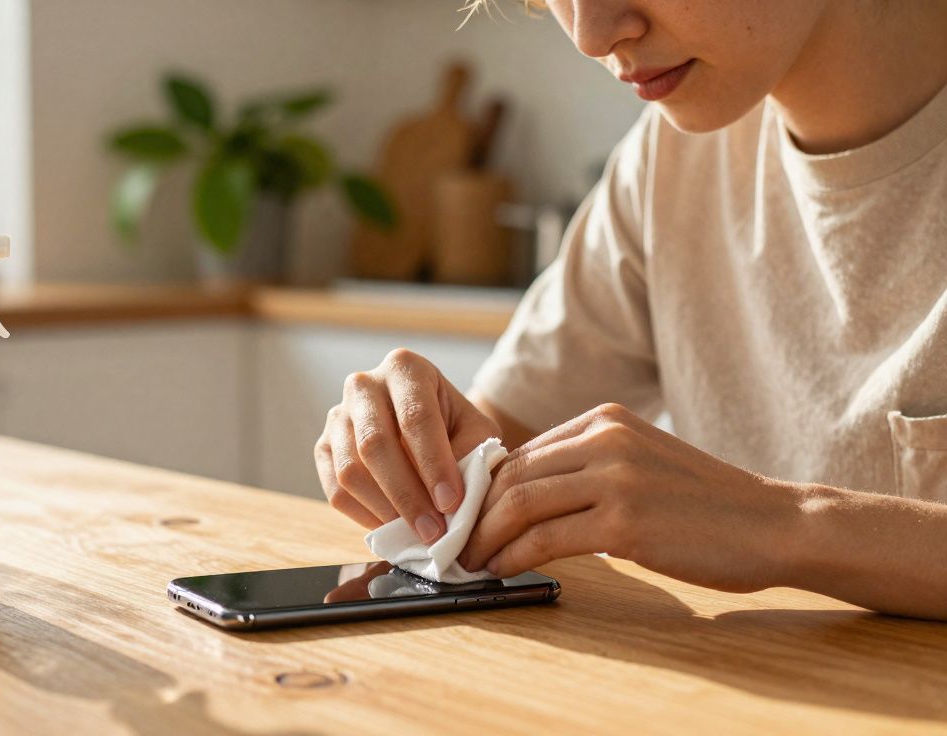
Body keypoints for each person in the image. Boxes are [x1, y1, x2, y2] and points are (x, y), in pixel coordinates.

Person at [315, 0, 947, 620]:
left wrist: (779, 525)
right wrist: (419, 449)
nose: (590, 35)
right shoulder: (667, 161)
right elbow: (503, 440)